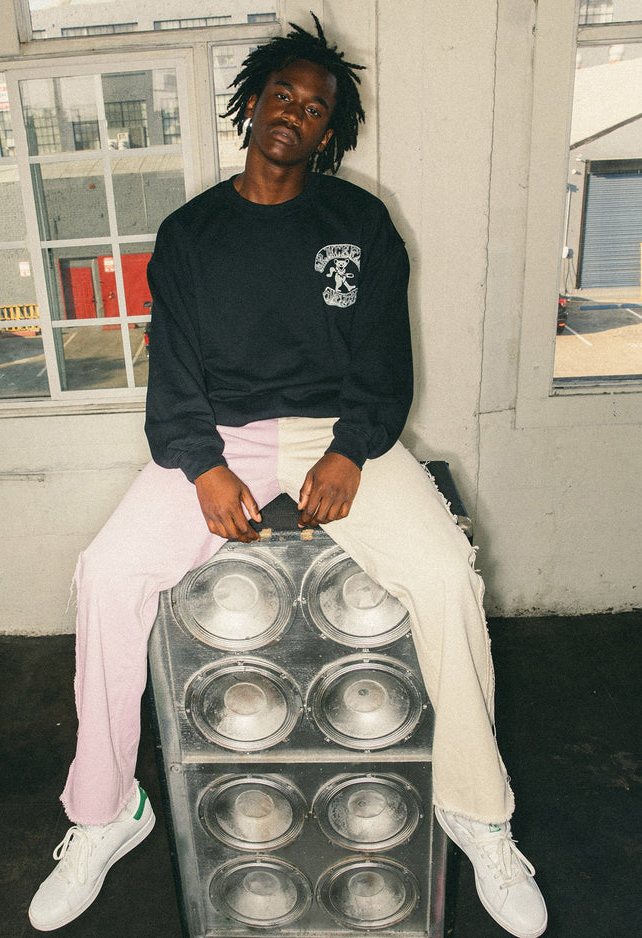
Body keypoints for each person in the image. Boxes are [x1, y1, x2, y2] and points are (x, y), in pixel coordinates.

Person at [28, 17, 548, 938]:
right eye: (283, 96)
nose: (294, 114)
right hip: (220, 430)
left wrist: (349, 450)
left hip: (335, 432)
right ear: (251, 105)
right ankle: (105, 811)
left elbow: (384, 360)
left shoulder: (360, 224)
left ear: (328, 132)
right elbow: (172, 373)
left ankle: (477, 810)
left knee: (445, 574)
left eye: (315, 109)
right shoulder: (190, 233)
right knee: (105, 573)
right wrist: (204, 467)